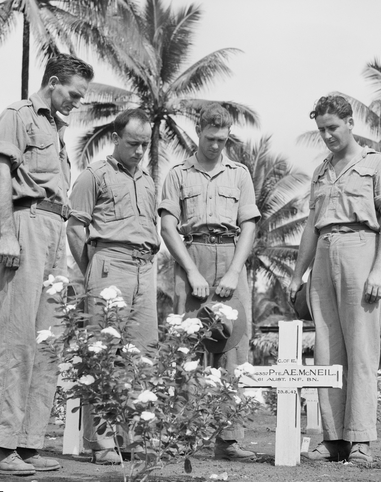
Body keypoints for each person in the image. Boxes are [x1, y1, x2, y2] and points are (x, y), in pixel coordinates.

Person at [0, 54, 94, 475]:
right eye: (74, 94)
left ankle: (26, 445)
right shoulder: (18, 116)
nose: (76, 103)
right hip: (25, 224)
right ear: (52, 82)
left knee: (48, 342)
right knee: (15, 338)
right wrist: (7, 231)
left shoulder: (56, 130)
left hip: (54, 230)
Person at [288, 95, 381, 464]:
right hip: (323, 251)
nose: (327, 135)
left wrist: (380, 268)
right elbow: (309, 225)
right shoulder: (321, 170)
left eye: (333, 127)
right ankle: (333, 438)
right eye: (321, 130)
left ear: (350, 122)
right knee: (328, 350)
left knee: (361, 349)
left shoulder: (378, 164)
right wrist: (297, 273)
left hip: (360, 247)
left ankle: (361, 440)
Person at [159, 103, 260, 461]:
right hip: (193, 255)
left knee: (233, 347)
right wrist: (191, 271)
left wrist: (234, 270)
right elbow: (168, 227)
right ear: (198, 132)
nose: (217, 145)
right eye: (210, 138)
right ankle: (183, 436)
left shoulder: (240, 174)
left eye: (223, 138)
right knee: (186, 348)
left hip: (231, 255)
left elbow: (248, 224)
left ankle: (229, 440)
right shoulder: (178, 174)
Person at [67, 108, 160, 464]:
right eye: (133, 143)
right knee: (103, 355)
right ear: (117, 139)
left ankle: (132, 439)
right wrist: (94, 273)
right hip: (109, 264)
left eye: (145, 145)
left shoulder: (149, 180)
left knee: (141, 355)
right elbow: (76, 229)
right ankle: (103, 444)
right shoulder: (94, 176)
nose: (139, 151)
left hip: (144, 268)